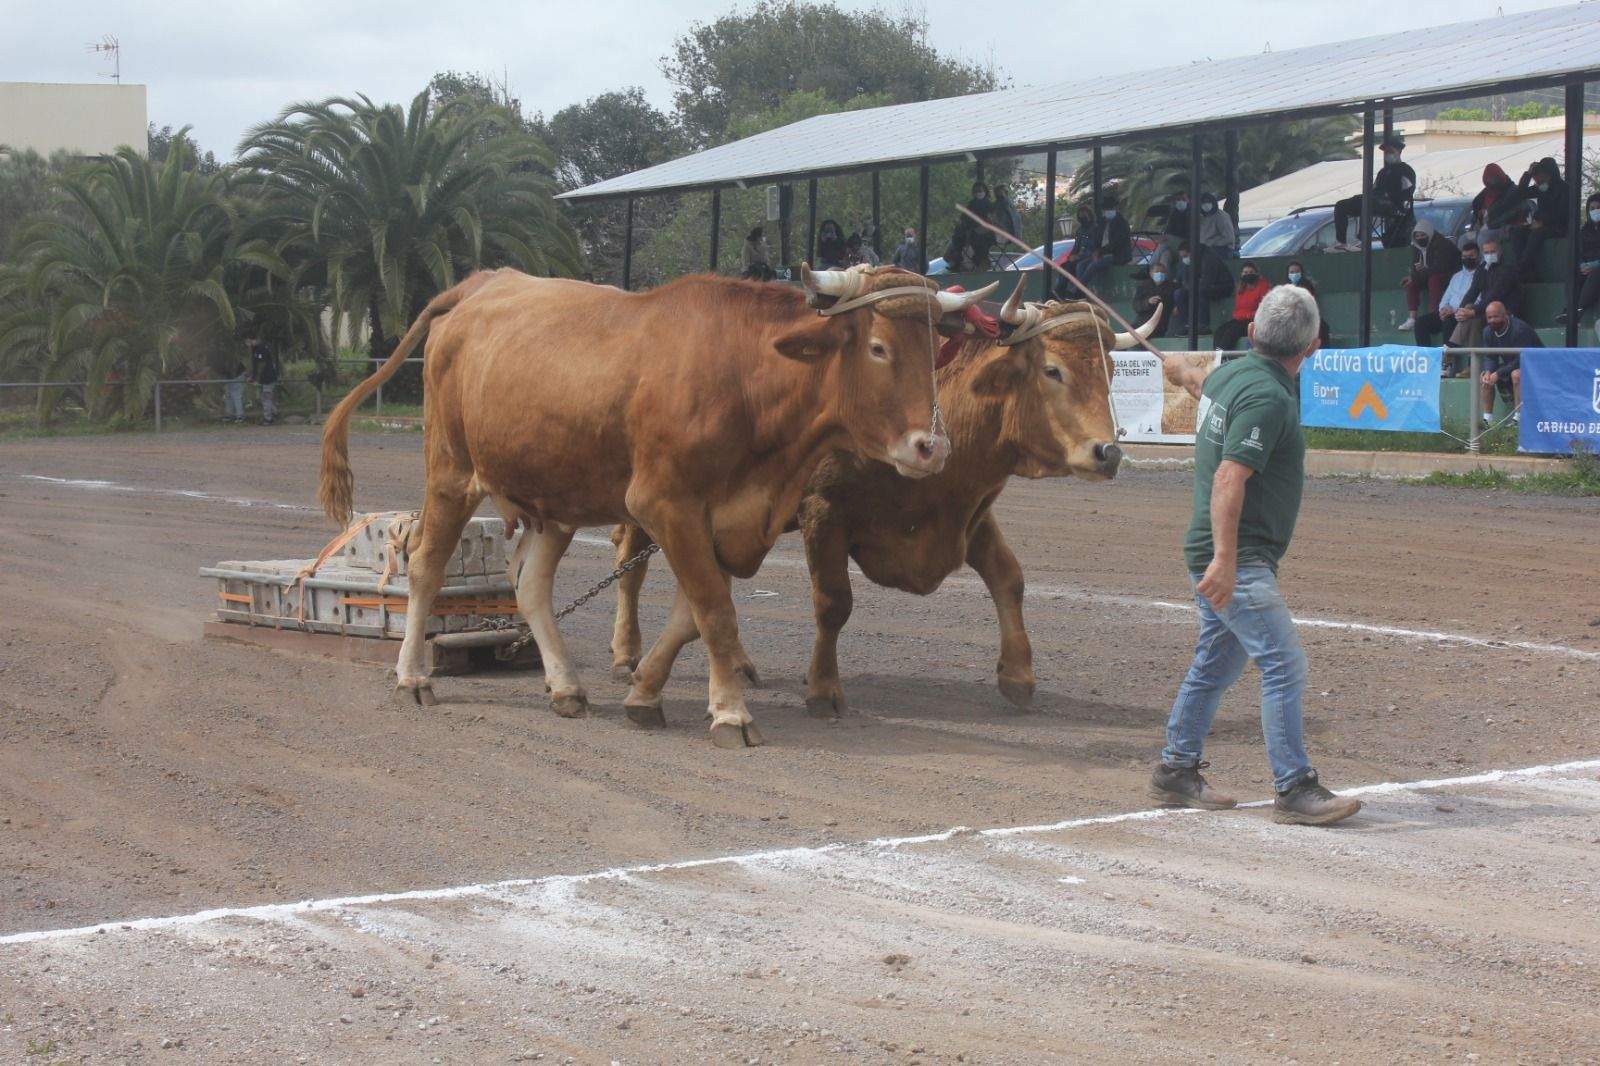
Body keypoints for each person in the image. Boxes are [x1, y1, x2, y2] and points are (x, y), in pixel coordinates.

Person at [1144, 285, 1360, 825]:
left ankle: (1176, 771)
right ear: (1311, 347)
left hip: (1221, 551)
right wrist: (1225, 560)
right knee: (1283, 665)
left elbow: (1201, 384)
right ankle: (1294, 787)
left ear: (1253, 333)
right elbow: (1229, 476)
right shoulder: (1269, 397)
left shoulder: (1232, 376)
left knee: (1217, 661)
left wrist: (1178, 371)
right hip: (1236, 555)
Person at [1332, 134, 1415, 250]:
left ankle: (1362, 235)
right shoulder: (1383, 171)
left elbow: (1407, 192)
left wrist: (1390, 198)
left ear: (1399, 151)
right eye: (1386, 152)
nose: (1387, 154)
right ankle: (1342, 241)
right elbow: (1374, 189)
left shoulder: (1406, 170)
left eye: (1390, 151)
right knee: (1341, 205)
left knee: (1368, 202)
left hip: (1393, 205)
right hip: (1376, 201)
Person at [1415, 240, 1482, 370]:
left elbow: (1478, 300)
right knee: (1421, 323)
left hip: (1465, 315)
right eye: (1464, 257)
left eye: (1471, 256)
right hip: (1447, 313)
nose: (1467, 259)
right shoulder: (1456, 277)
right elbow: (1446, 297)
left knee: (1448, 321)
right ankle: (1427, 361)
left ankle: (1447, 364)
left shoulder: (1481, 275)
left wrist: (1454, 310)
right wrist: (1443, 309)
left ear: (1478, 256)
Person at [1479, 300, 1541, 425]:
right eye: (1489, 317)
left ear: (1504, 315)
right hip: (1512, 365)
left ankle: (1519, 417)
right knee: (1485, 378)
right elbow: (1490, 357)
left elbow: (1522, 358)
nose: (1492, 320)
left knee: (1516, 374)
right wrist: (1488, 371)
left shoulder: (1520, 329)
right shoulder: (1487, 331)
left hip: (1536, 366)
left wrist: (1499, 373)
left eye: (1495, 316)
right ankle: (1487, 420)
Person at [1455, 237, 1522, 349]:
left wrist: (1473, 312)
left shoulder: (1507, 269)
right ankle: (1470, 359)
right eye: (1486, 252)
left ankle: (1453, 349)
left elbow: (1495, 296)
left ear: (1500, 252)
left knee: (1473, 318)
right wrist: (1460, 310)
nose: (1489, 255)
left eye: (1492, 251)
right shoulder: (1482, 269)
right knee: (1468, 308)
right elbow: (1472, 291)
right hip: (1485, 310)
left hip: (1505, 311)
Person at [1398, 219, 1461, 332]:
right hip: (1427, 274)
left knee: (1434, 279)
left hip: (1449, 276)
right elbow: (1415, 267)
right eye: (1417, 236)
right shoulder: (1417, 247)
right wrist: (1413, 276)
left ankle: (1434, 315)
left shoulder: (1442, 244)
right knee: (1411, 283)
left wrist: (1421, 272)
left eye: (1423, 235)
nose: (1420, 238)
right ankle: (1412, 318)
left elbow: (1440, 268)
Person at [1515, 157, 1568, 278]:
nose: (1538, 180)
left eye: (1541, 175)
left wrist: (1543, 222)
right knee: (1518, 232)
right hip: (1540, 224)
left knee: (1537, 234)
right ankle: (1525, 268)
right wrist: (1527, 174)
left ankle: (1523, 266)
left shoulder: (1564, 189)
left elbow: (1561, 215)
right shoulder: (1541, 188)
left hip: (1557, 227)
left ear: (1549, 175)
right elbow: (1521, 193)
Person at [1556, 192, 1600, 326]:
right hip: (1585, 267)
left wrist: (1595, 264)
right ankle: (1568, 309)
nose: (1595, 211)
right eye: (1592, 209)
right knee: (1572, 273)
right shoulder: (1583, 231)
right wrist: (1582, 265)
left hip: (1597, 269)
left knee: (1596, 273)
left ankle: (1577, 312)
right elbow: (1578, 252)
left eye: (1598, 208)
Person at [1173, 241, 1234, 335]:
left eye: (1185, 256)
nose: (1184, 259)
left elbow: (1208, 281)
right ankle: (1186, 325)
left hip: (1222, 286)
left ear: (1192, 252)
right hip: (1200, 286)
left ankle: (1203, 325)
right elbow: (1183, 280)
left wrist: (1193, 289)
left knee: (1202, 291)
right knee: (1179, 294)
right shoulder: (1188, 261)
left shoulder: (1209, 257)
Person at [1213, 262, 1272, 352]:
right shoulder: (1241, 288)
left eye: (1251, 272)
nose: (1248, 275)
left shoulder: (1263, 286)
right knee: (1220, 331)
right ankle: (1216, 355)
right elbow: (1238, 310)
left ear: (1256, 273)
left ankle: (1222, 354)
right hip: (1240, 319)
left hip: (1255, 321)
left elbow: (1264, 309)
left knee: (1232, 331)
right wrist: (1241, 315)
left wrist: (1247, 315)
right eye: (1245, 272)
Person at [1469, 163, 1527, 248]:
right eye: (1489, 180)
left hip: (1504, 227)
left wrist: (1490, 225)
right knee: (1464, 240)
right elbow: (1476, 212)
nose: (1492, 182)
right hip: (1483, 226)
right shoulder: (1485, 194)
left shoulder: (1512, 191)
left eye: (1494, 179)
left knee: (1483, 237)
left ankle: (1484, 260)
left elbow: (1512, 213)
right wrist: (1471, 229)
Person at [1284, 262, 1331, 346]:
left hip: (1307, 317)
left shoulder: (1307, 285)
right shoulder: (1285, 288)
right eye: (1291, 272)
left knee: (1322, 328)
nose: (1294, 274)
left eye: (1297, 271)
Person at [1133, 263, 1176, 338]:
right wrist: (1148, 302)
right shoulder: (1143, 286)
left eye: (1162, 272)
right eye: (1157, 272)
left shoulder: (1172, 287)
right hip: (1141, 322)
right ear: (1150, 273)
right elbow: (1136, 305)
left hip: (1160, 323)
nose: (1160, 274)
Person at [247, 333, 278, 426]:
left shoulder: (261, 349)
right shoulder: (256, 350)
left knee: (266, 398)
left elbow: (261, 366)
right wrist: (253, 377)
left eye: (249, 341)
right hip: (263, 378)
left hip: (267, 378)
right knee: (264, 398)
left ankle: (268, 419)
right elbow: (256, 366)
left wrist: (255, 378)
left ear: (254, 340)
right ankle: (274, 413)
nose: (248, 343)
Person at [213, 338, 247, 424]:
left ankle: (240, 416)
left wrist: (223, 380)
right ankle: (229, 415)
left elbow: (229, 369)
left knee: (236, 395)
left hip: (237, 375)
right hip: (230, 376)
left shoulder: (222, 355)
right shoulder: (219, 355)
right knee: (228, 396)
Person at [1197, 192, 1236, 258]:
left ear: (1213, 203)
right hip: (1205, 250)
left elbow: (1229, 238)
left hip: (1222, 250)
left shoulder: (1221, 216)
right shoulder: (1202, 217)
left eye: (1208, 202)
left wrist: (1211, 242)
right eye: (1203, 203)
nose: (1206, 204)